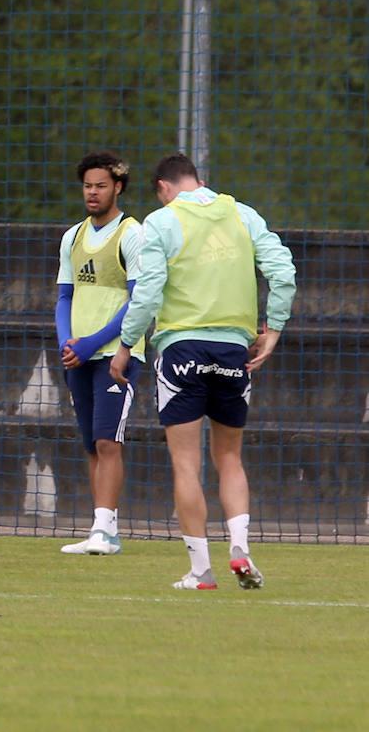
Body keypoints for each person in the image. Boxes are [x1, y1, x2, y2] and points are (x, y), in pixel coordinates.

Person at [110, 153, 295, 590]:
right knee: (230, 457)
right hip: (235, 352)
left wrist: (125, 346)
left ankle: (201, 571)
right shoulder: (242, 213)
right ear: (201, 181)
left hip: (182, 349)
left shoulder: (161, 221)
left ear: (162, 187)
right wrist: (275, 328)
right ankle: (241, 548)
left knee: (186, 464)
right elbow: (283, 271)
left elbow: (149, 292)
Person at [54, 152, 145, 556]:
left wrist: (96, 342)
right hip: (80, 355)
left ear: (118, 188)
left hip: (116, 354)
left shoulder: (132, 235)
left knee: (109, 441)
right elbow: (64, 296)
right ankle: (99, 526)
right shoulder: (72, 237)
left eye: (101, 186)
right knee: (92, 443)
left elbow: (139, 298)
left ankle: (106, 530)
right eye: (88, 186)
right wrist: (67, 342)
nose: (93, 193)